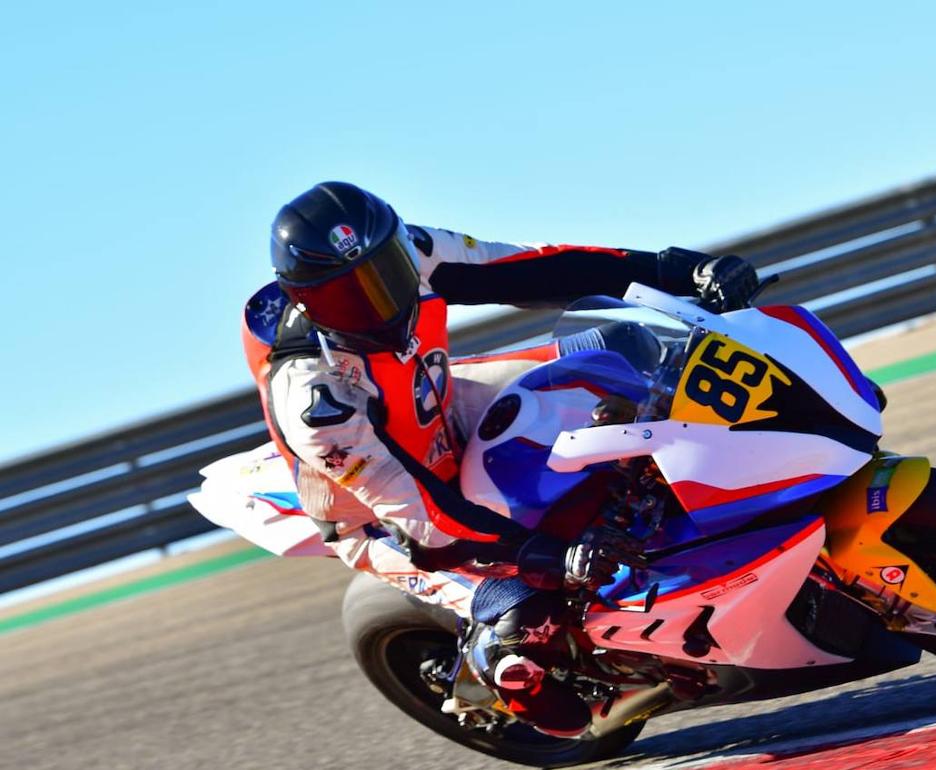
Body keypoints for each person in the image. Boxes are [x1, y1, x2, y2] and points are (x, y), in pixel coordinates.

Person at [240, 181, 759, 736]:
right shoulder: (316, 402)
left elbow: (540, 268)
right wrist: (542, 556)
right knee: (523, 607)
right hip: (382, 514)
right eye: (349, 296)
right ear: (305, 302)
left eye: (384, 274)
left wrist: (681, 272)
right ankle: (498, 664)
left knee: (622, 368)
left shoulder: (411, 248)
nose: (379, 300)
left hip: (442, 401)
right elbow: (424, 516)